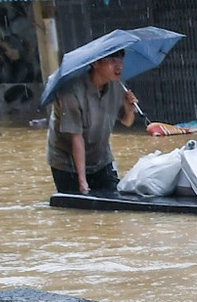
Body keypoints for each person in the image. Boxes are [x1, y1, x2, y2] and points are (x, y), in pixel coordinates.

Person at [46, 48, 137, 195]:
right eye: (112, 61)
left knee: (114, 200)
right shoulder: (70, 92)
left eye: (120, 60)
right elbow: (76, 137)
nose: (119, 66)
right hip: (67, 162)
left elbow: (127, 122)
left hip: (101, 158)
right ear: (95, 63)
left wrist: (129, 109)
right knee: (78, 210)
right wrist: (82, 181)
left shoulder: (118, 85)